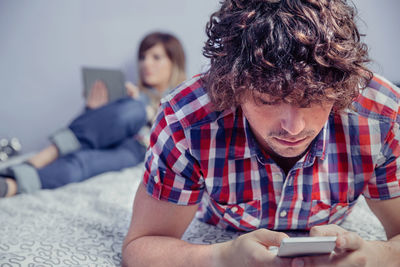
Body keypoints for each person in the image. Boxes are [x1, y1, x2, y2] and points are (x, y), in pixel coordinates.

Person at [122, 1, 400, 266]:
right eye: (268, 99)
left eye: (314, 99)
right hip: (219, 226)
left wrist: (377, 257)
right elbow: (140, 248)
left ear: (340, 90)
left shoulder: (382, 117)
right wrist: (222, 258)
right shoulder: (186, 120)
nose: (294, 128)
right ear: (233, 86)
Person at [0, 32, 186, 198]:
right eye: (143, 57)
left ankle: (12, 185)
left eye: (156, 57)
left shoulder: (183, 98)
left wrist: (152, 114)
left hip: (136, 148)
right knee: (133, 109)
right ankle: (50, 152)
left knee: (82, 164)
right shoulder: (131, 94)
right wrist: (92, 109)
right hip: (108, 136)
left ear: (174, 62)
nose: (146, 63)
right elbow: (90, 132)